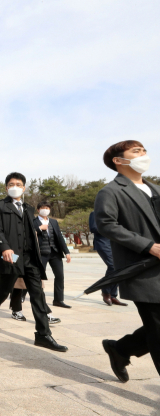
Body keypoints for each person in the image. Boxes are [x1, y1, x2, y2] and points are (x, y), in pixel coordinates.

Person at [96, 140, 160, 381]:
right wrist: (148, 246)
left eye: (144, 151)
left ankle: (120, 349)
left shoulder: (155, 189)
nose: (143, 155)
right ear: (119, 160)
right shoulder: (110, 191)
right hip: (143, 270)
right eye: (136, 151)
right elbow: (107, 224)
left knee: (157, 328)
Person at [0, 172, 67, 352]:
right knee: (4, 289)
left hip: (29, 257)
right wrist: (4, 247)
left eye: (19, 184)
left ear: (24, 188)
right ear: (6, 187)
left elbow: (30, 229)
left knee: (37, 294)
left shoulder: (28, 208)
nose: (15, 186)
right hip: (11, 256)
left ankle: (43, 335)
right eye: (11, 184)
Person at [34, 201, 72, 309]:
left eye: (47, 208)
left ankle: (58, 300)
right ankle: (36, 298)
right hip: (41, 253)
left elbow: (59, 237)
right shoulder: (34, 222)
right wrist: (39, 229)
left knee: (60, 276)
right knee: (38, 276)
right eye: (43, 208)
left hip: (55, 253)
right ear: (38, 210)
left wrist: (67, 252)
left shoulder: (54, 222)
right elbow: (29, 234)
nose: (45, 209)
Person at [89, 211, 127, 306]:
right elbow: (93, 228)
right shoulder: (95, 213)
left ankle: (113, 295)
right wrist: (110, 228)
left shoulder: (116, 214)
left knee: (119, 267)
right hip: (103, 243)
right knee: (112, 266)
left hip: (116, 244)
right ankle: (105, 291)